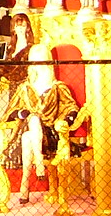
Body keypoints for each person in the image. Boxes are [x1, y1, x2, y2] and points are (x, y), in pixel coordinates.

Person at [5, 44, 79, 205]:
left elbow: (72, 108)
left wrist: (66, 121)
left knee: (30, 130)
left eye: (42, 61)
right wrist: (20, 113)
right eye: (36, 61)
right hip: (33, 135)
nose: (39, 65)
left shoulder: (57, 87)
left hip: (52, 135)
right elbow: (10, 112)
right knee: (30, 127)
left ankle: (25, 186)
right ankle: (38, 164)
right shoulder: (25, 88)